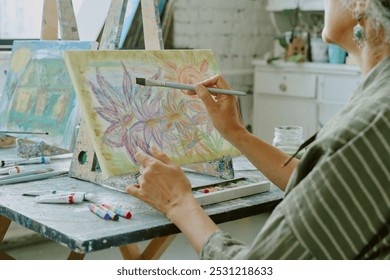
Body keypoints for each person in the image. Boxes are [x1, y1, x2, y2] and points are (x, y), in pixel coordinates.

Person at [126, 0, 390, 259]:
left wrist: (178, 203)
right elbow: (330, 186)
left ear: (359, 3)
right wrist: (234, 132)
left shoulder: (372, 124)